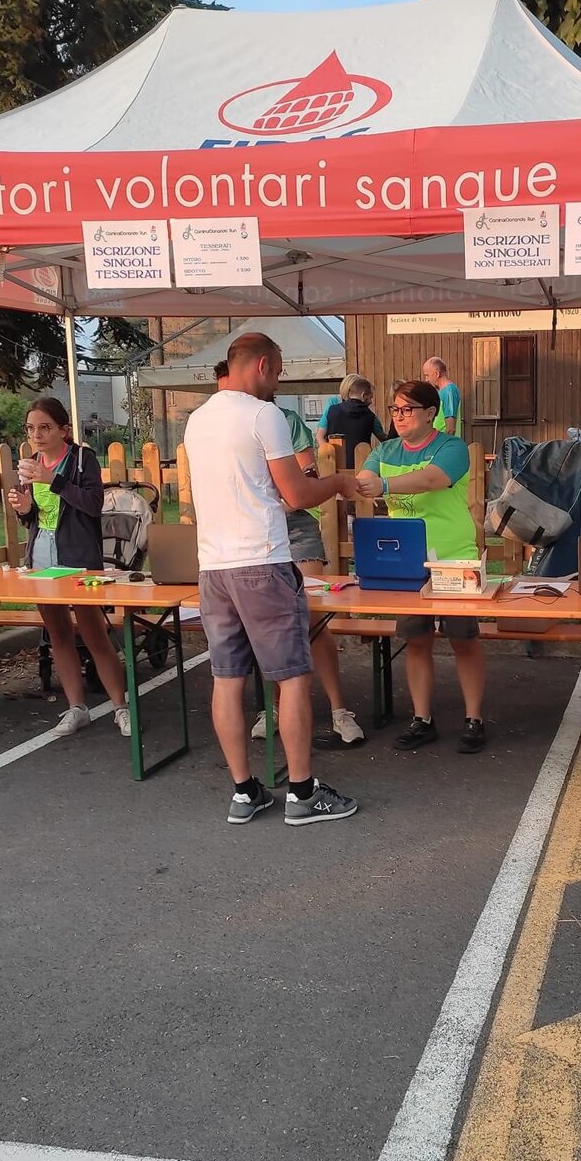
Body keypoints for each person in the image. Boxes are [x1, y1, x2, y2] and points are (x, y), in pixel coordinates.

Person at [183, 331, 361, 826]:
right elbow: (297, 494)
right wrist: (340, 482)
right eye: (279, 372)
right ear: (261, 365)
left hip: (213, 567)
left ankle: (244, 792)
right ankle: (302, 793)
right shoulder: (265, 416)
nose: (278, 383)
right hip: (263, 562)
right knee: (292, 677)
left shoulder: (197, 420)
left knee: (226, 680)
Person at [355, 379, 487, 753]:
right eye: (395, 409)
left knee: (463, 639)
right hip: (407, 562)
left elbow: (433, 479)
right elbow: (364, 480)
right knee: (416, 640)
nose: (399, 416)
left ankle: (474, 719)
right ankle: (422, 719)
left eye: (407, 409)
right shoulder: (385, 450)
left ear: (430, 413)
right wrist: (358, 484)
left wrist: (383, 485)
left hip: (453, 556)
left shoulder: (452, 447)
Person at [6, 398, 132, 738]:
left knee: (93, 633)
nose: (36, 435)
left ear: (63, 430)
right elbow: (35, 518)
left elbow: (93, 504)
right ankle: (77, 707)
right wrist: (24, 508)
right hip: (41, 555)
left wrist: (53, 480)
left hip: (77, 557)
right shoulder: (31, 464)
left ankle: (121, 707)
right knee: (58, 634)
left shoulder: (80, 459)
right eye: (31, 428)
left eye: (44, 427)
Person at [253, 397, 364, 747]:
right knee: (269, 624)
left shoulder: (286, 420)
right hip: (254, 534)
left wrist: (272, 508)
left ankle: (339, 710)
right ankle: (273, 708)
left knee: (313, 618)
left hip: (294, 528)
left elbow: (307, 478)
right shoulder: (229, 422)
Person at [323, 375, 386, 466]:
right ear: (363, 395)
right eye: (370, 398)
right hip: (361, 465)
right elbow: (384, 440)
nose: (371, 402)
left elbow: (321, 435)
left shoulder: (332, 410)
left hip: (334, 464)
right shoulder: (370, 416)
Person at [421, 356, 463, 437]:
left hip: (444, 442)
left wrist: (442, 443)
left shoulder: (449, 391)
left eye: (427, 375)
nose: (426, 380)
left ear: (437, 374)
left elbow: (450, 428)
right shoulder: (442, 391)